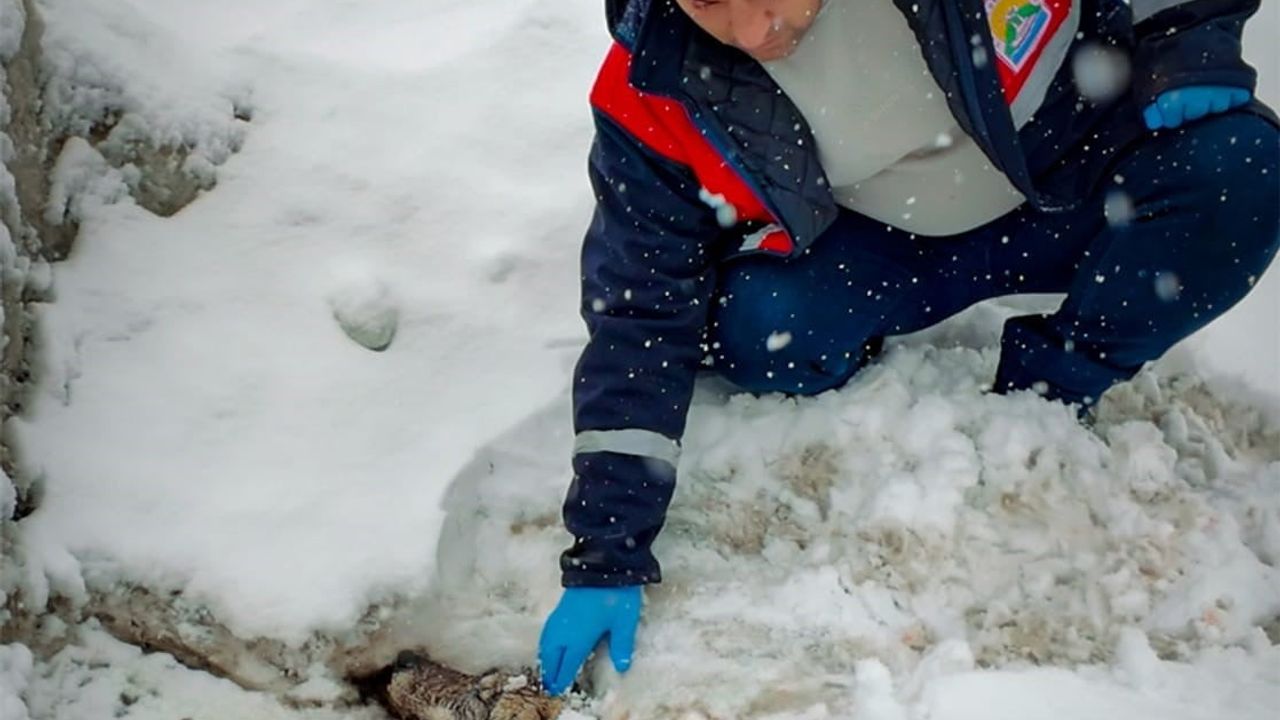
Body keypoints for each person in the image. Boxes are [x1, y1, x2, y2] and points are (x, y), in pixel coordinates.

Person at [537, 0, 1279, 696]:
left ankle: (1052, 388)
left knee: (1240, 172)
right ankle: (861, 351)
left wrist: (1189, 39)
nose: (753, 27)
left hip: (1067, 178)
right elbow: (640, 306)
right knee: (756, 330)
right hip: (892, 246)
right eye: (705, 1)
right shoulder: (655, 75)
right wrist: (607, 549)